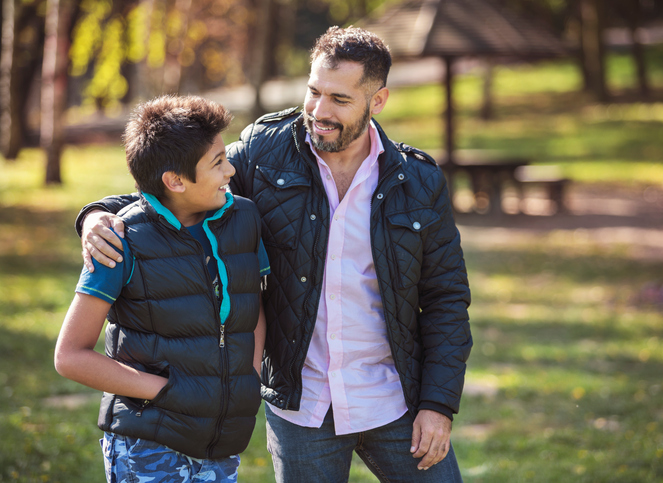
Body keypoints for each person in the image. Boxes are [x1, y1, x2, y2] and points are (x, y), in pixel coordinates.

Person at [76, 27, 472, 482]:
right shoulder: (266, 152)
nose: (319, 112)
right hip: (301, 408)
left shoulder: (418, 181)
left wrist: (437, 405)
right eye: (313, 91)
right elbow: (178, 186)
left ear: (377, 101)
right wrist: (96, 214)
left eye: (339, 100)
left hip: (396, 401)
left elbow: (445, 297)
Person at [55, 95, 271, 482]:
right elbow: (69, 355)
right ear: (175, 180)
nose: (231, 170)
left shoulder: (245, 219)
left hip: (222, 442)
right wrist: (165, 390)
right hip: (148, 443)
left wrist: (248, 376)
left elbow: (251, 305)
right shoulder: (120, 240)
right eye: (217, 163)